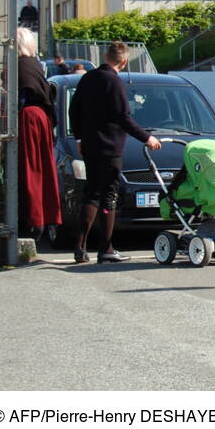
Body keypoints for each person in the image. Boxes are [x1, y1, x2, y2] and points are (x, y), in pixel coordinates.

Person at [69, 42, 162, 263]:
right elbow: (124, 117)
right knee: (109, 196)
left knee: (91, 194)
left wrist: (80, 137)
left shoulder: (88, 79)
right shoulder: (116, 82)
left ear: (105, 56)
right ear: (124, 61)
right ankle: (106, 248)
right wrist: (147, 137)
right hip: (110, 147)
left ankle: (80, 247)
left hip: (90, 145)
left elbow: (75, 109)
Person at [16, 27, 61, 243]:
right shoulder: (35, 65)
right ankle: (45, 216)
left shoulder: (19, 65)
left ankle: (33, 219)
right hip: (42, 118)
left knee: (30, 167)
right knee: (43, 167)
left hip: (29, 118)